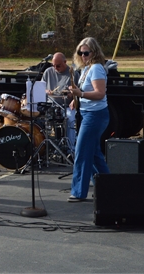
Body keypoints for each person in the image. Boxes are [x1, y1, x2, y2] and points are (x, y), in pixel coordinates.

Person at [67, 37, 110, 202]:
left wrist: (81, 94)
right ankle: (107, 186)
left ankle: (78, 192)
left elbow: (100, 94)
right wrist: (75, 99)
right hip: (87, 114)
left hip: (95, 116)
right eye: (80, 53)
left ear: (94, 52)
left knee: (82, 152)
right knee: (93, 154)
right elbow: (86, 91)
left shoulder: (97, 68)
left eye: (86, 53)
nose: (83, 56)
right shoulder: (86, 69)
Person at [41, 52, 76, 151]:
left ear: (65, 62)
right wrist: (45, 91)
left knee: (71, 119)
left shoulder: (72, 73)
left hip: (67, 106)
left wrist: (72, 96)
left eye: (58, 66)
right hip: (50, 105)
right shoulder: (48, 72)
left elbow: (79, 92)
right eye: (54, 65)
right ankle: (44, 148)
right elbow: (40, 88)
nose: (55, 68)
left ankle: (70, 148)